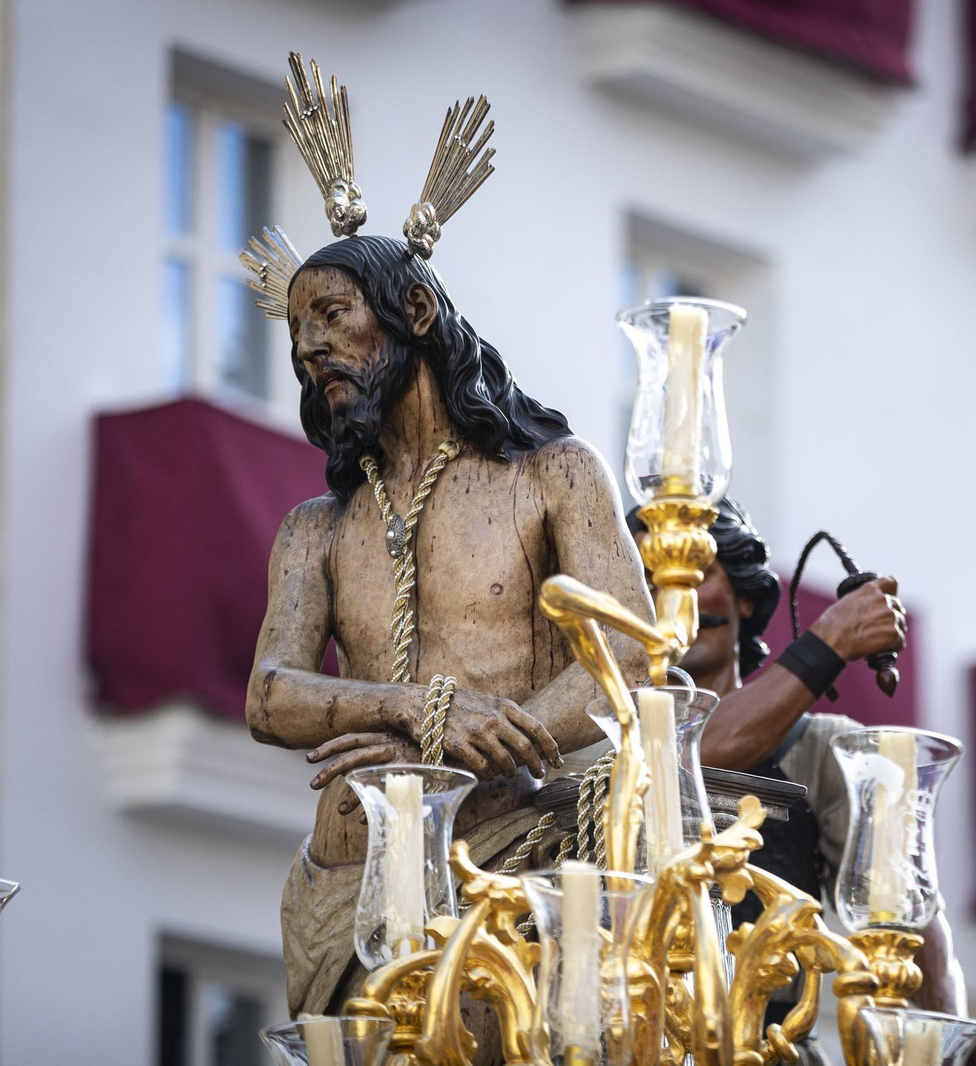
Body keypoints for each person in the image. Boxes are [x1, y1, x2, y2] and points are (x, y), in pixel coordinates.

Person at [241, 67, 652, 1021]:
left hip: (506, 867)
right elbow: (270, 693)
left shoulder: (552, 474)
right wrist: (428, 712)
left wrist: (487, 755)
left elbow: (625, 654)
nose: (309, 350)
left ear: (415, 313)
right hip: (343, 891)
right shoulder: (317, 529)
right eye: (297, 334)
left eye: (332, 318)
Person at [629, 499, 976, 1066]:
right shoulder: (611, 735)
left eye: (698, 572)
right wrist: (829, 642)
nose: (672, 597)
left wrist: (946, 1040)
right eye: (647, 578)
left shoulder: (824, 750)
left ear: (744, 593)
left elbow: (911, 921)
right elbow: (688, 752)